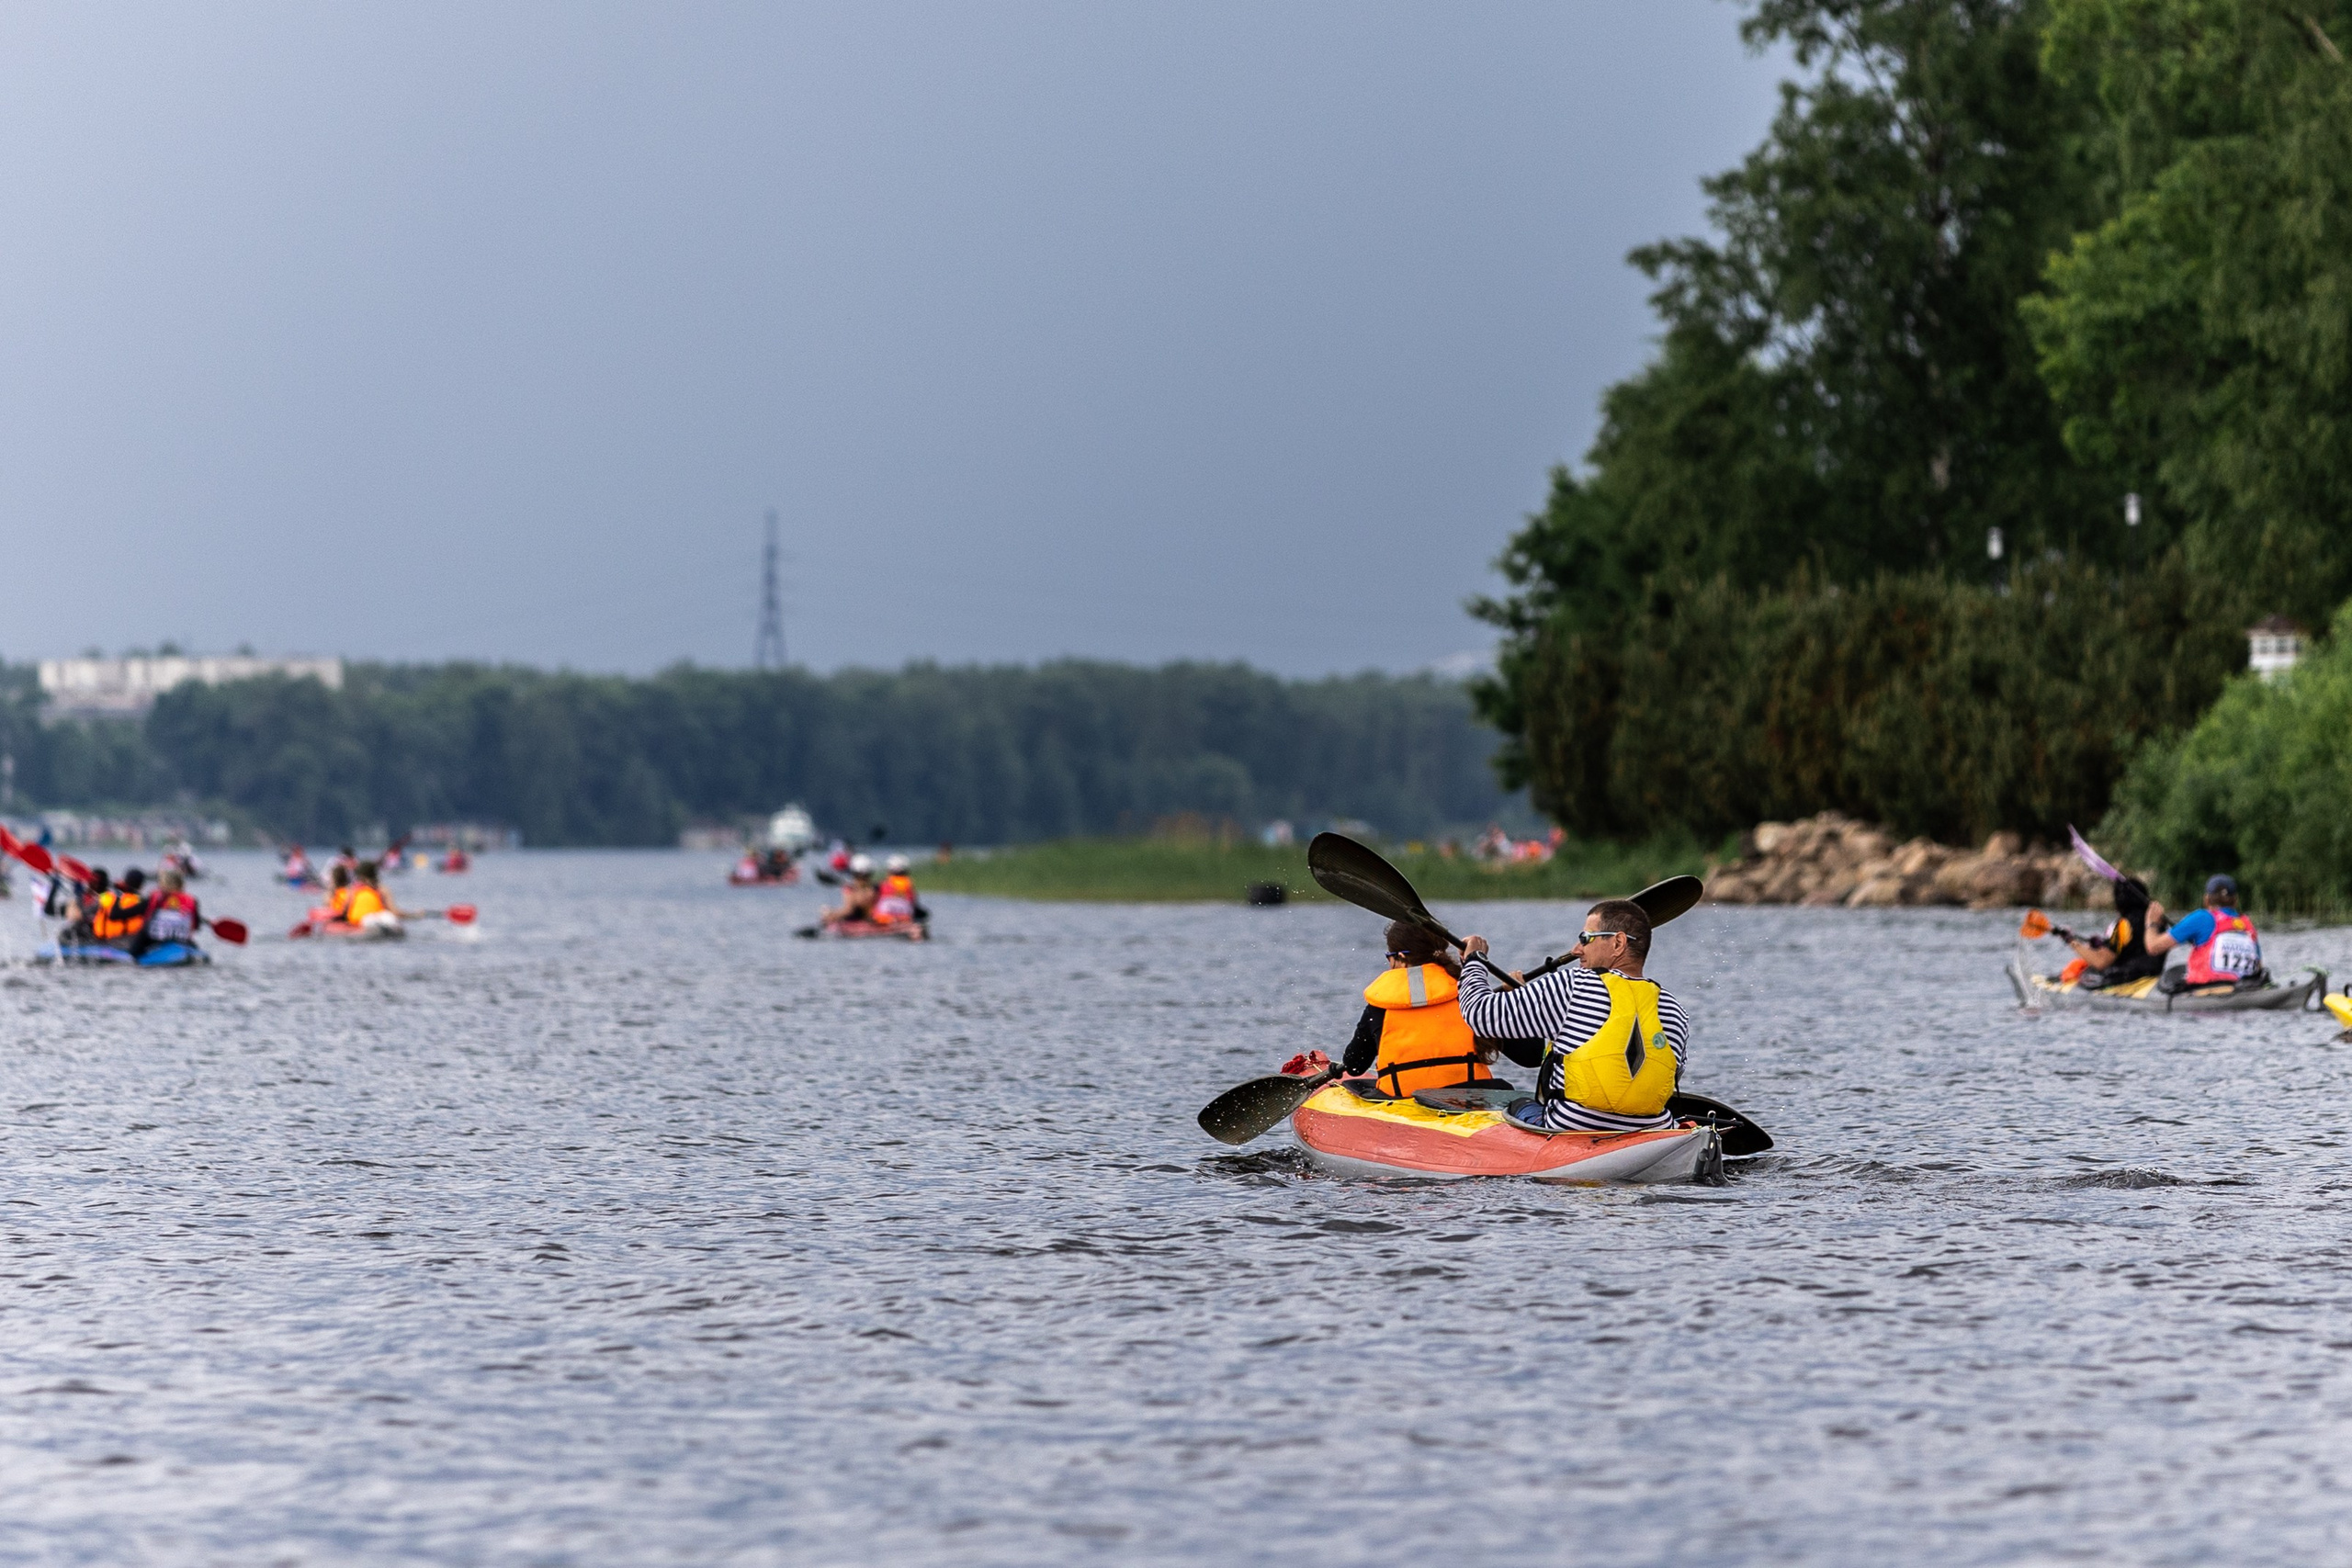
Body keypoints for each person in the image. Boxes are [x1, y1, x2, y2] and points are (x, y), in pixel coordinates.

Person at [1456, 898, 1691, 1133]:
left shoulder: (1572, 985)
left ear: (1618, 943)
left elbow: (1479, 1014)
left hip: (1572, 1129)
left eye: (1585, 939)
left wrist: (1475, 961)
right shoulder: (1674, 1009)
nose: (1576, 950)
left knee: (1519, 1104)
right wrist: (1526, 999)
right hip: (1653, 1131)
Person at [1341, 920, 1497, 1098]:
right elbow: (1527, 1057)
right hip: (1473, 1101)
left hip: (1404, 1101)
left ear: (1401, 957)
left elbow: (1354, 1066)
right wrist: (1511, 998)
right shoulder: (1468, 994)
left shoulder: (1379, 1007)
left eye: (1389, 957)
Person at [2143, 874, 2264, 991]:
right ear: (2235, 900)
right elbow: (2258, 965)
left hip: (2205, 992)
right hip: (2243, 989)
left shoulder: (2202, 918)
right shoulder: (2247, 924)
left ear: (2206, 899)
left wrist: (2152, 923)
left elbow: (2153, 947)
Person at [2062, 874, 2165, 989]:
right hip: (2154, 976)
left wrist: (2071, 941)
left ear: (2119, 902)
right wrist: (2102, 944)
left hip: (2127, 979)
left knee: (2085, 972)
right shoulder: (2157, 920)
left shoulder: (2124, 926)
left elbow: (2101, 962)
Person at [88, 867, 154, 952]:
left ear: (124, 882)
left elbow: (90, 908)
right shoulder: (142, 902)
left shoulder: (107, 897)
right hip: (125, 943)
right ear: (141, 885)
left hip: (101, 940)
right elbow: (114, 915)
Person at [341, 860, 410, 933]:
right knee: (386, 917)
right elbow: (394, 911)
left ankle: (384, 928)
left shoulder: (352, 889)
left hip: (366, 919)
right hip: (374, 917)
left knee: (376, 919)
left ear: (359, 876)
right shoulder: (381, 888)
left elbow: (345, 909)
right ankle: (391, 928)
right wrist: (413, 915)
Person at [821, 853, 880, 929]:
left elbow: (849, 910)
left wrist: (831, 915)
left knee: (825, 911)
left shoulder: (850, 889)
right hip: (870, 919)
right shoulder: (875, 888)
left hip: (854, 920)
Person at [148, 867, 202, 945]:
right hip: (183, 941)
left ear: (164, 884)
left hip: (156, 941)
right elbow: (196, 926)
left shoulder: (157, 898)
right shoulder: (192, 900)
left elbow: (146, 919)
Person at [873, 853, 924, 931]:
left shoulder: (881, 885)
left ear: (889, 870)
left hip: (883, 920)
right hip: (905, 919)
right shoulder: (909, 885)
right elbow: (914, 905)